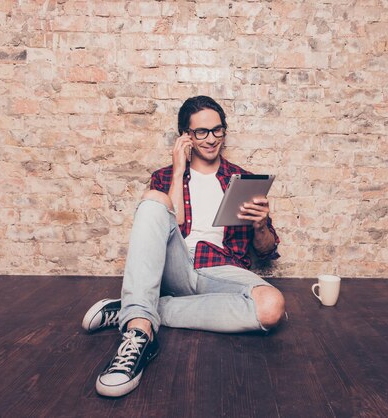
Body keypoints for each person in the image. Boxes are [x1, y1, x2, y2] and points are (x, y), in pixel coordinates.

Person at [81, 95, 285, 397]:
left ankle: (136, 307)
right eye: (201, 132)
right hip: (176, 267)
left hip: (223, 271)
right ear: (186, 136)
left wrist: (261, 225)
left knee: (271, 307)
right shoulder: (165, 176)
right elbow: (168, 230)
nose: (211, 139)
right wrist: (178, 171)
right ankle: (139, 329)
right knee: (154, 200)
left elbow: (267, 251)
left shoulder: (240, 179)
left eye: (217, 130)